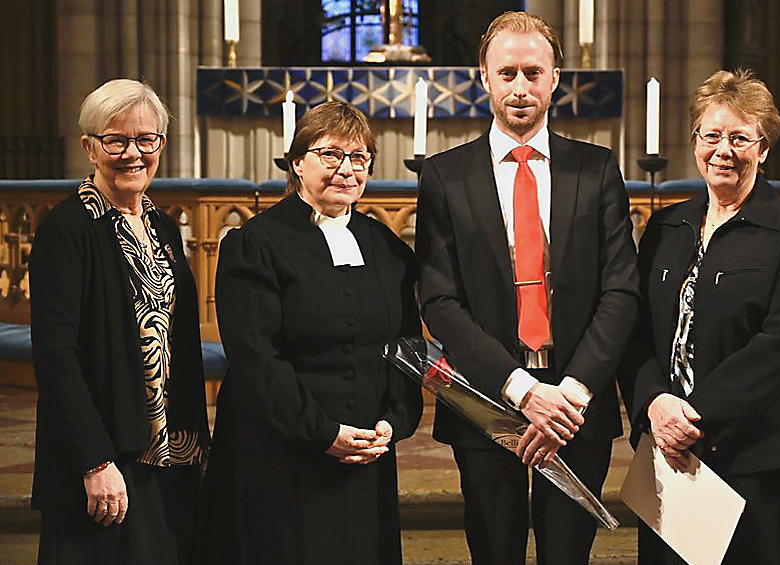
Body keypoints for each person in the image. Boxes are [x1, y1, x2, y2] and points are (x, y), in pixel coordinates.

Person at [416, 11, 638, 565]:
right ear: (484, 78)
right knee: (495, 552)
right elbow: (440, 300)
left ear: (556, 77)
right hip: (488, 400)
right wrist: (521, 390)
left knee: (568, 556)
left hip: (575, 408)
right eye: (508, 73)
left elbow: (621, 291)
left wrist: (572, 394)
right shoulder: (446, 176)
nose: (521, 88)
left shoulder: (597, 169)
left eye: (533, 73)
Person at [197, 100, 423, 565]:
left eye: (359, 157)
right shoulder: (255, 243)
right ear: (298, 162)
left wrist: (394, 422)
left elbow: (406, 343)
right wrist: (322, 432)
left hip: (365, 450)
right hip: (281, 453)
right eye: (331, 155)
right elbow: (257, 357)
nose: (346, 169)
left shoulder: (386, 246)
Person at [627, 69, 780, 565]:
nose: (723, 150)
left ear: (763, 148)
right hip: (668, 452)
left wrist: (691, 418)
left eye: (740, 138)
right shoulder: (665, 225)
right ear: (695, 141)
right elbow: (635, 331)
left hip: (753, 454)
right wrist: (653, 404)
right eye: (711, 135)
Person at [29, 78, 209, 565]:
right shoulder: (67, 230)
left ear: (162, 145)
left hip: (167, 453)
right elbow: (55, 355)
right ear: (90, 146)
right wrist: (95, 460)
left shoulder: (163, 225)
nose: (133, 153)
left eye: (145, 139)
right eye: (116, 140)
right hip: (105, 456)